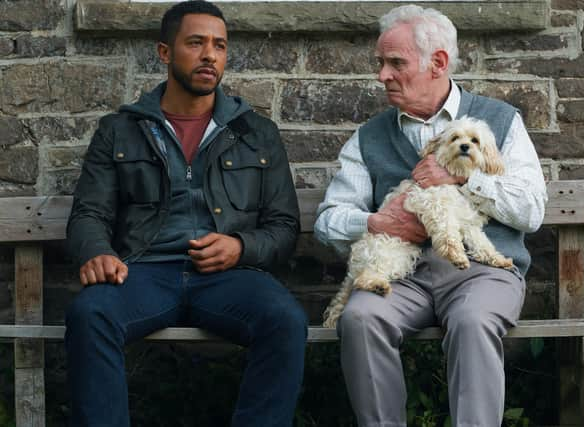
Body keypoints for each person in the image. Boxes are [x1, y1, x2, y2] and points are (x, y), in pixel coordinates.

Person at [64, 1, 307, 426]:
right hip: (143, 271)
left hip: (230, 277)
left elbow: (284, 226)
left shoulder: (256, 133)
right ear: (164, 53)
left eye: (219, 46)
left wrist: (241, 246)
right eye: (196, 43)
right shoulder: (120, 129)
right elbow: (89, 214)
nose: (210, 55)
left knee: (286, 320)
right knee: (90, 313)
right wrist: (96, 252)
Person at [314, 5, 547, 427]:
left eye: (395, 63)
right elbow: (330, 218)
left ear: (437, 62)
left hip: (483, 273)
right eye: (381, 63)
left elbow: (530, 209)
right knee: (361, 318)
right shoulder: (367, 138)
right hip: (402, 275)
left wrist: (461, 181)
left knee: (474, 321)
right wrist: (374, 223)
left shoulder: (500, 121)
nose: (382, 75)